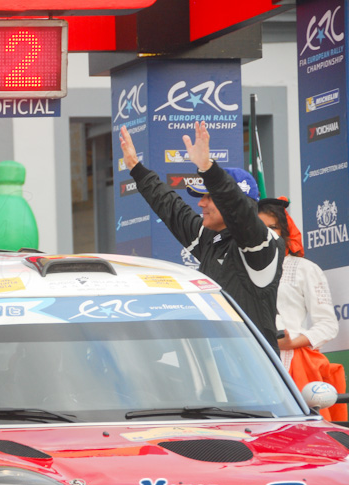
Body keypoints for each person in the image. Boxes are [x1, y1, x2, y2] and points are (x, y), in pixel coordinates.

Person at [119, 122, 285, 353]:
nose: (200, 203)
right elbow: (172, 208)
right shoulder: (210, 238)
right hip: (216, 367)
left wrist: (208, 168)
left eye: (209, 197)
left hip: (252, 368)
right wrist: (136, 169)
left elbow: (239, 211)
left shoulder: (261, 245)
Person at [258, 197, 345, 420]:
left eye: (272, 228)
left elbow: (327, 325)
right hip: (248, 358)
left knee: (296, 427)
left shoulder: (304, 269)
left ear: (284, 231)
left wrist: (292, 343)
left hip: (293, 361)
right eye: (259, 228)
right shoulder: (238, 268)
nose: (266, 234)